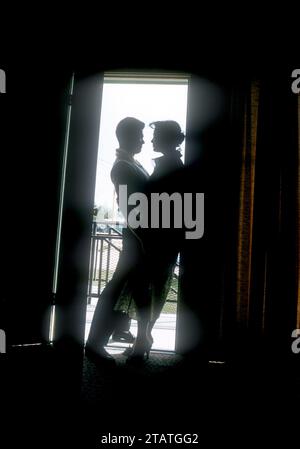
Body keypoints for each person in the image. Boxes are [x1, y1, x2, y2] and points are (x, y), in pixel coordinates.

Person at [85, 117, 151, 364]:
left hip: (139, 237)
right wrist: (143, 240)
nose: (143, 140)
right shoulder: (123, 166)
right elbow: (130, 208)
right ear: (128, 137)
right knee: (118, 289)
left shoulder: (131, 163)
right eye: (140, 136)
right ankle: (95, 343)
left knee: (134, 289)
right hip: (137, 238)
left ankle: (131, 337)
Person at [145, 120, 186, 344]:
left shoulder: (170, 168)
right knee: (155, 286)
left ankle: (144, 336)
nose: (152, 139)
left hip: (161, 238)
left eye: (156, 135)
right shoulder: (172, 165)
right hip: (164, 238)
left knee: (154, 286)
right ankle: (144, 335)